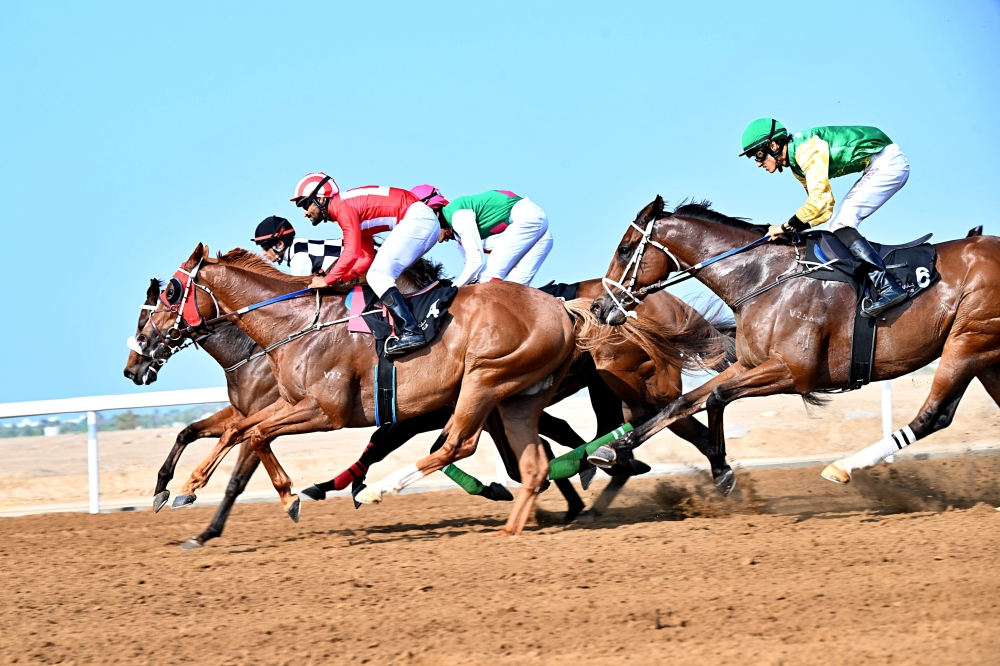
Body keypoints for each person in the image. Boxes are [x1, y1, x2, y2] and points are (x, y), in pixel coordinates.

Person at [740, 118, 910, 317]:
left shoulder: (805, 150)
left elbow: (820, 201)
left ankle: (887, 286)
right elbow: (824, 209)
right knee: (833, 229)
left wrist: (785, 226)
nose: (758, 163)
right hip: (876, 165)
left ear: (773, 145)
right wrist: (793, 231)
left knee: (842, 224)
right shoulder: (797, 165)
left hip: (887, 162)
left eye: (758, 155)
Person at [290, 173, 439, 354]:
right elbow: (365, 258)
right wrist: (339, 280)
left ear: (320, 198)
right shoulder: (348, 208)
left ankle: (411, 331)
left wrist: (327, 280)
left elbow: (350, 252)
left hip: (418, 220)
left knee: (378, 275)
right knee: (377, 273)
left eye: (306, 204)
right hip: (421, 219)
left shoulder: (343, 208)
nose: (305, 212)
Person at [416, 186, 552, 287]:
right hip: (537, 234)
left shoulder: (458, 215)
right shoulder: (459, 238)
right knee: (513, 289)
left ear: (434, 213)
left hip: (529, 220)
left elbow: (475, 263)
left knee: (487, 278)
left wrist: (452, 289)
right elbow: (473, 275)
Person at [251, 215, 342, 276]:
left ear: (280, 244)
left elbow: (301, 293)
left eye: (265, 248)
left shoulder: (298, 258)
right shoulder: (297, 245)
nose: (263, 253)